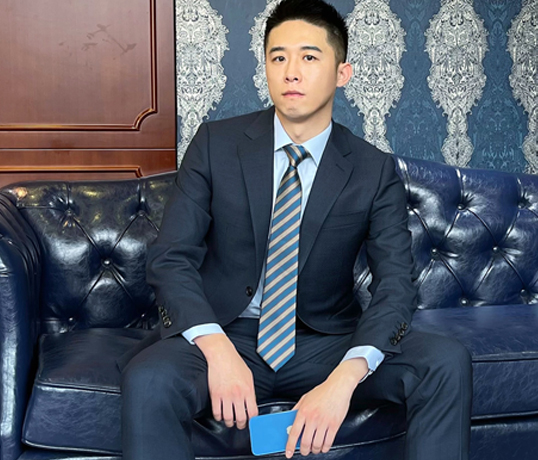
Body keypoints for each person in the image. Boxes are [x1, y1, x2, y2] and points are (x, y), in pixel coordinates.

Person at [120, 0, 473, 459]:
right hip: (229, 330)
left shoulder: (372, 169)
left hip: (325, 341)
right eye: (278, 57)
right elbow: (171, 257)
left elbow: (396, 284)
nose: (291, 72)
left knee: (444, 361)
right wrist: (217, 349)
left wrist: (344, 380)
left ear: (342, 73)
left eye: (309, 57)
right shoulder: (215, 144)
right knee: (149, 378)